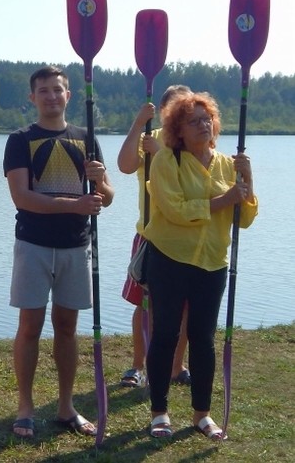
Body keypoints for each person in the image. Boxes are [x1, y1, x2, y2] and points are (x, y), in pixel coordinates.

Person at [3, 66, 114, 439]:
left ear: (68, 96)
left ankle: (66, 406)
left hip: (75, 246)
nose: (51, 96)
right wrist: (75, 204)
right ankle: (25, 407)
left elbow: (106, 198)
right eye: (44, 91)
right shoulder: (20, 139)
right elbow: (22, 197)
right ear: (32, 98)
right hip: (33, 244)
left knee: (67, 328)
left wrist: (99, 181)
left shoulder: (88, 138)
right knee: (30, 327)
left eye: (58, 90)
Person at [145, 91, 256, 441]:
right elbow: (176, 209)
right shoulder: (166, 161)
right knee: (165, 334)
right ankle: (159, 411)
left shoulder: (227, 164)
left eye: (206, 118)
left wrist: (248, 180)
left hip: (212, 262)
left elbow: (246, 217)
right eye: (193, 120)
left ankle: (201, 415)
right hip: (169, 258)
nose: (203, 125)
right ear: (177, 128)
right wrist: (224, 199)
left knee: (203, 339)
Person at [116, 85, 192, 389]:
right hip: (150, 234)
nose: (179, 114)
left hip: (187, 235)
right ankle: (138, 366)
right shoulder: (150, 135)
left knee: (185, 306)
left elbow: (190, 179)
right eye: (172, 108)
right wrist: (137, 123)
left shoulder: (195, 140)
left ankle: (177, 365)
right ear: (162, 111)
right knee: (144, 303)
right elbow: (124, 165)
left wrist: (159, 154)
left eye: (185, 109)